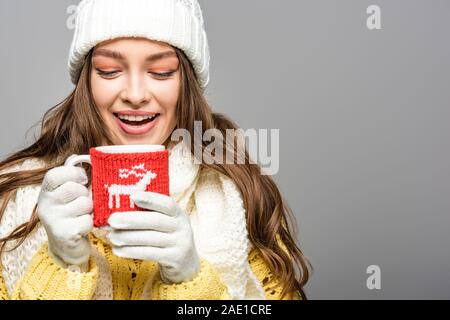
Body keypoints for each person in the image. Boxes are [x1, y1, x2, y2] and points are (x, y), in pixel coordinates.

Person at [0, 0, 311, 300]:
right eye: (109, 70)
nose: (135, 95)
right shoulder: (13, 199)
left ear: (186, 83)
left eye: (161, 71)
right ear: (87, 82)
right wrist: (62, 262)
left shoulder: (242, 192)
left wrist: (190, 280)